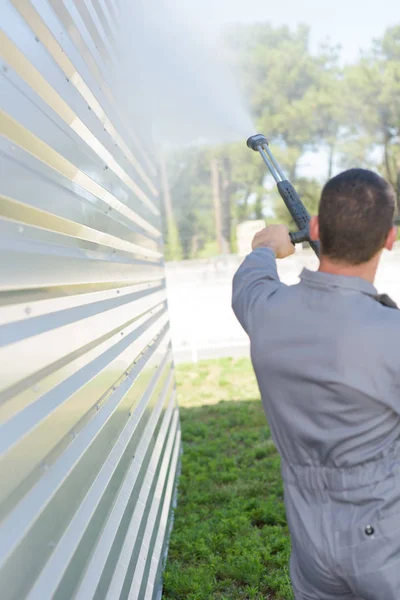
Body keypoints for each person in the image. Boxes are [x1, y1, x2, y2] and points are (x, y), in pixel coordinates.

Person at [232, 168, 400, 600]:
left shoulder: (265, 310)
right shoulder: (391, 333)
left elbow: (249, 278)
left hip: (309, 542)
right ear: (389, 239)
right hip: (385, 542)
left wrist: (266, 246)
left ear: (316, 228)